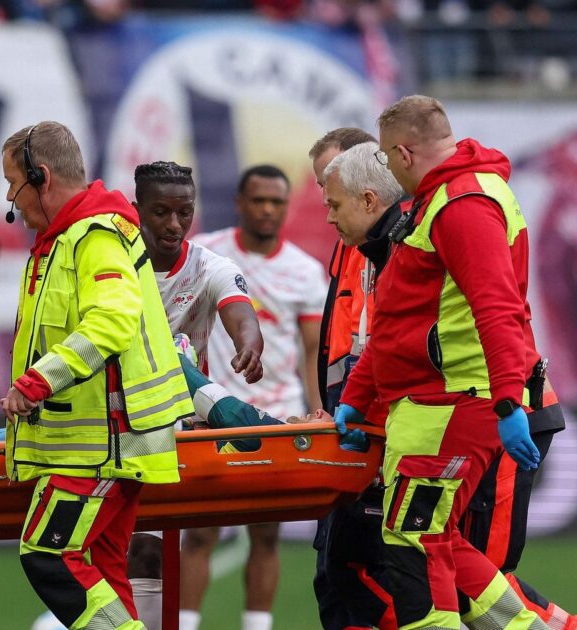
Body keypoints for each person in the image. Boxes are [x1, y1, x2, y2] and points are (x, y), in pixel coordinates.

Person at [333, 94, 547, 629]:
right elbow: (401, 319)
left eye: (384, 156)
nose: (386, 168)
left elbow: (497, 308)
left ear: (404, 152)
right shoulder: (446, 200)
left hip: (448, 406)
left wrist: (507, 401)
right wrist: (358, 397)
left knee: (412, 549)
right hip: (436, 406)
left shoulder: (461, 205)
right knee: (434, 539)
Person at [0, 121, 192, 630]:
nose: (11, 200)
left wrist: (35, 382)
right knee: (102, 568)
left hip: (104, 446)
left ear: (41, 176)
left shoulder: (94, 236)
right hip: (101, 444)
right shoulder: (66, 240)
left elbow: (111, 321)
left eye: (14, 185)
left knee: (49, 555)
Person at [182, 164, 328, 630]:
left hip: (277, 416)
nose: (267, 209)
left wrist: (315, 408)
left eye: (276, 201)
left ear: (286, 206)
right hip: (215, 413)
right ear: (241, 203)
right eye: (258, 200)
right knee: (200, 532)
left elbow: (311, 350)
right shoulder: (211, 255)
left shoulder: (305, 271)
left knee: (266, 536)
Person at [126, 161, 265, 629]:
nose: (173, 224)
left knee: (153, 548)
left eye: (184, 212)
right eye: (160, 212)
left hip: (180, 430)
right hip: (113, 426)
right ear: (136, 211)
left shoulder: (209, 266)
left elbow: (240, 310)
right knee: (125, 552)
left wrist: (249, 342)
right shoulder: (115, 267)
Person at [311, 133, 404, 630]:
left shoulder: (393, 246)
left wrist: (360, 411)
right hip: (361, 420)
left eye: (332, 196)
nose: (327, 209)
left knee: (372, 574)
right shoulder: (359, 244)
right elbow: (351, 347)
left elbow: (380, 345)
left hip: (394, 432)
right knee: (337, 577)